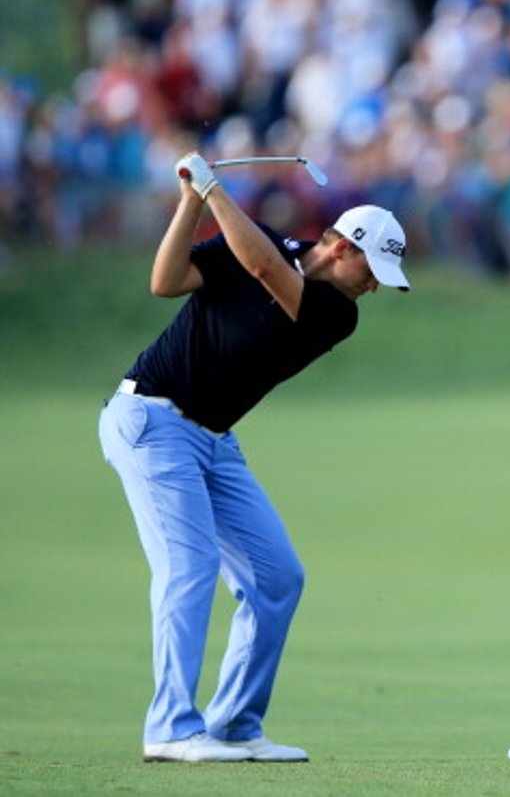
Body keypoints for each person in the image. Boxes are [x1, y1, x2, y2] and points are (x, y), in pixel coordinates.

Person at [98, 152, 410, 763]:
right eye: (372, 267)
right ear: (342, 245)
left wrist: (213, 190)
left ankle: (236, 723)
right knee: (189, 570)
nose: (375, 284)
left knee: (276, 577)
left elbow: (266, 269)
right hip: (151, 421)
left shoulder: (336, 314)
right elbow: (166, 281)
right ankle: (170, 728)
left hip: (213, 440)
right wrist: (192, 199)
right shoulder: (256, 237)